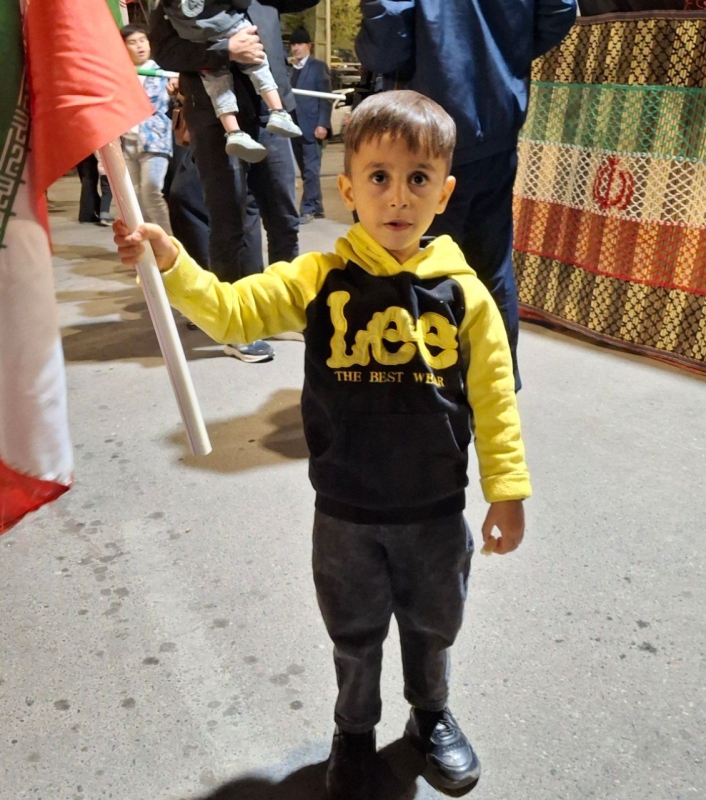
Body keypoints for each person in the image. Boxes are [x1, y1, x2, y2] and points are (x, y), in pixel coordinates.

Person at [113, 90, 531, 800]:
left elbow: (494, 400)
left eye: (418, 178)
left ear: (444, 192)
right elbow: (234, 311)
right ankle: (354, 732)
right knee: (354, 633)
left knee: (433, 625)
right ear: (348, 188)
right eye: (379, 177)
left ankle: (430, 715)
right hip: (345, 511)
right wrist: (174, 262)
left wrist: (508, 491)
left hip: (434, 509)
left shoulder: (466, 296)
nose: (398, 196)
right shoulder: (319, 278)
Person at [356, 0, 578, 391]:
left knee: (414, 269)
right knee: (491, 266)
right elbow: (560, 10)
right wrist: (505, 54)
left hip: (425, 136)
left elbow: (386, 47)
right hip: (497, 125)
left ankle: (425, 396)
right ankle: (496, 386)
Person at [149, 0, 318, 363]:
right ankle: (235, 327)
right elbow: (164, 51)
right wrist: (225, 50)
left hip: (271, 114)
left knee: (285, 219)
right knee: (230, 223)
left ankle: (283, 309)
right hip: (216, 120)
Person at [161, 0, 301, 162]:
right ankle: (277, 111)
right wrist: (226, 51)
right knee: (257, 63)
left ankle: (234, 132)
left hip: (201, 39)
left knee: (217, 84)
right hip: (211, 123)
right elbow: (163, 52)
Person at [120, 24, 174, 234]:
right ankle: (149, 244)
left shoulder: (163, 72)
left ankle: (168, 242)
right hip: (127, 141)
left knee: (151, 191)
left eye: (143, 40)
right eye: (132, 42)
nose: (139, 46)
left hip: (154, 141)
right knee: (135, 198)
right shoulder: (121, 74)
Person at [289, 26, 332, 223]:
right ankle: (318, 207)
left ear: (309, 46)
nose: (295, 48)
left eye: (299, 44)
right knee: (306, 170)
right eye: (293, 44)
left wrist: (323, 124)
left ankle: (307, 209)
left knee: (311, 170)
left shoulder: (318, 67)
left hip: (313, 127)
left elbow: (326, 98)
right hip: (294, 128)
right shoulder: (291, 71)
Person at [76, 153, 113, 226]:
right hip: (89, 153)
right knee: (89, 179)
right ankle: (87, 214)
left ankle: (98, 210)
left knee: (86, 179)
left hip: (79, 152)